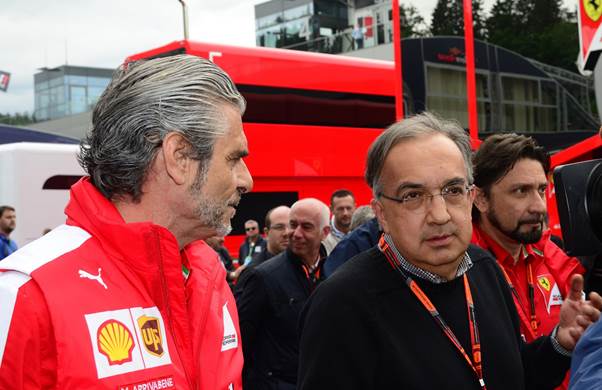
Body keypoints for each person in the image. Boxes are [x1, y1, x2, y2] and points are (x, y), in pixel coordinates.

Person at [297, 112, 602, 390]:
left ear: (471, 197)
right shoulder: (341, 304)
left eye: (453, 191)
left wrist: (559, 343)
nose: (440, 214)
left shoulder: (485, 268)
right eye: (413, 195)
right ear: (382, 213)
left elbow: (513, 376)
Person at [0, 55, 252, 389]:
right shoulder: (28, 294)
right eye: (234, 158)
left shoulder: (209, 274)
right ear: (179, 157)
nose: (246, 180)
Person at [471, 134, 585, 346]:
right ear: (481, 199)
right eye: (521, 191)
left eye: (541, 190)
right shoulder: (460, 269)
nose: (539, 207)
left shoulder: (550, 252)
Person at [235, 198, 329, 390]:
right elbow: (241, 342)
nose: (295, 233)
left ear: (325, 232)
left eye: (307, 227)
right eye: (293, 225)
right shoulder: (262, 277)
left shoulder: (333, 271)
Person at [322, 189, 356, 254]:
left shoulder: (362, 232)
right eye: (340, 209)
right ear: (331, 209)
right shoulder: (323, 236)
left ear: (355, 207)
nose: (345, 213)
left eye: (348, 208)